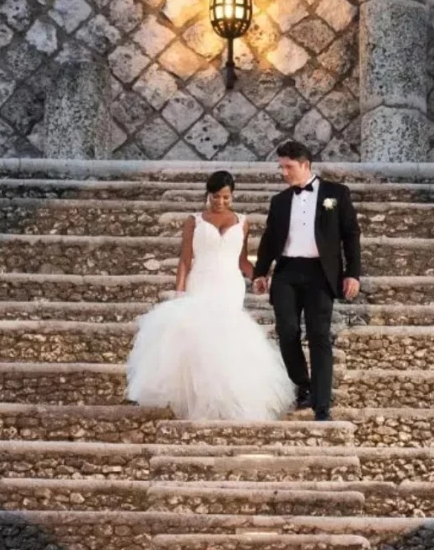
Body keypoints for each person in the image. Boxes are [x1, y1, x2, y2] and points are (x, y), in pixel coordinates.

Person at [125, 170, 297, 422]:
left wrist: (258, 276)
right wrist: (180, 292)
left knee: (227, 338)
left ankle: (229, 398)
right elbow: (185, 260)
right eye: (216, 197)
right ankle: (195, 398)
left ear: (232, 196)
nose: (221, 202)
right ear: (208, 194)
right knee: (198, 336)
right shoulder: (193, 221)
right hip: (202, 281)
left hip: (230, 285)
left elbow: (241, 260)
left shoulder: (242, 221)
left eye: (226, 197)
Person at [250, 139, 361, 420]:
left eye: (288, 167)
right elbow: (270, 238)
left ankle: (322, 405)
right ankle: (303, 385)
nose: (283, 172)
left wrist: (352, 273)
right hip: (287, 271)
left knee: (319, 336)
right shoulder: (280, 201)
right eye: (281, 167)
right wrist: (260, 271)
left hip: (320, 273)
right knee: (287, 331)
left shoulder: (336, 193)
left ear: (305, 165)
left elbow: (351, 235)